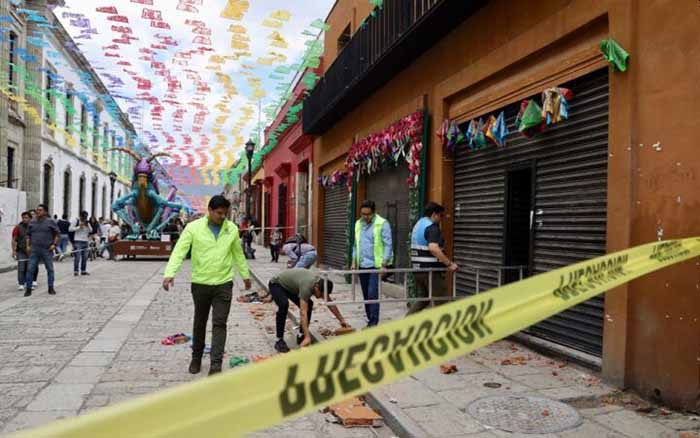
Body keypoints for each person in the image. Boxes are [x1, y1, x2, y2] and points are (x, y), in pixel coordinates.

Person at [162, 195, 252, 376]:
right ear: (209, 210)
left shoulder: (231, 229)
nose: (222, 217)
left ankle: (216, 365)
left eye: (225, 213)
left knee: (220, 323)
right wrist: (170, 273)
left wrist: (245, 276)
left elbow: (238, 253)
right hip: (200, 283)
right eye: (219, 213)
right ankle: (196, 358)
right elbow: (179, 251)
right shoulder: (193, 228)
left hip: (224, 284)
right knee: (200, 322)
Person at [268, 269, 349, 353]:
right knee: (284, 304)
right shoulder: (306, 288)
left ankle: (301, 335)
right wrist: (308, 336)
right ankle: (279, 340)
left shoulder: (321, 285)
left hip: (290, 287)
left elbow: (330, 304)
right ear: (316, 287)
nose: (321, 297)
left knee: (309, 304)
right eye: (321, 294)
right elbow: (303, 313)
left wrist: (342, 320)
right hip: (276, 284)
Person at [408, 202, 459, 315]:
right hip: (430, 272)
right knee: (443, 302)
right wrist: (449, 264)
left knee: (424, 299)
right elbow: (433, 248)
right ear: (434, 214)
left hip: (418, 270)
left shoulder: (419, 224)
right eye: (441, 215)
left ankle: (406, 322)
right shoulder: (432, 227)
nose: (441, 219)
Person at [351, 200, 393, 327]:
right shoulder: (358, 224)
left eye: (368, 214)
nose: (365, 217)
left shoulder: (382, 223)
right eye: (363, 214)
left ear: (373, 212)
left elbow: (388, 245)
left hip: (376, 265)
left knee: (372, 293)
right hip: (362, 264)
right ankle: (370, 319)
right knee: (366, 294)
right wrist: (354, 262)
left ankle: (373, 323)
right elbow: (355, 245)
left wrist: (384, 264)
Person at [24, 204, 59, 296]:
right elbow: (28, 235)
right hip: (34, 249)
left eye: (40, 210)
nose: (37, 211)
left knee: (50, 269)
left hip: (47, 249)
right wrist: (27, 246)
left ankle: (51, 288)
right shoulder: (32, 222)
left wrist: (54, 244)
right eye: (37, 210)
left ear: (45, 212)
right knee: (30, 269)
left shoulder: (50, 222)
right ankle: (28, 289)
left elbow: (57, 234)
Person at [11, 211, 31, 291]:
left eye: (26, 218)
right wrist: (14, 251)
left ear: (30, 218)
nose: (24, 219)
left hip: (31, 251)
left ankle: (28, 282)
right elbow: (14, 240)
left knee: (29, 268)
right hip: (21, 251)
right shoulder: (17, 227)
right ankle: (21, 283)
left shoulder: (33, 227)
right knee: (21, 268)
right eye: (23, 218)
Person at [70, 211, 91, 276]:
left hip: (85, 241)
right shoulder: (76, 221)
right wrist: (79, 227)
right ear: (80, 216)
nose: (85, 218)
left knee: (85, 257)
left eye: (86, 217)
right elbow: (70, 229)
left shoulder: (87, 222)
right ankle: (76, 271)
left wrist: (88, 225)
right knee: (77, 257)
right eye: (84, 217)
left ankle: (83, 270)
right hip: (78, 241)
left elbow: (91, 230)